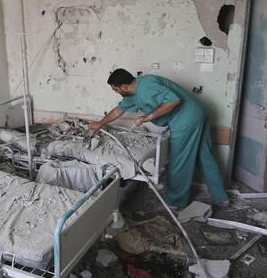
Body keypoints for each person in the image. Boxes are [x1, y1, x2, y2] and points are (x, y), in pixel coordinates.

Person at [88, 69, 229, 208]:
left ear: (124, 87)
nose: (116, 92)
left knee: (179, 161)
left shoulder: (147, 86)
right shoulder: (133, 93)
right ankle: (221, 197)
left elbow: (174, 100)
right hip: (197, 112)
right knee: (204, 156)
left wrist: (147, 117)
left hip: (186, 118)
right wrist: (100, 124)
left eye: (115, 89)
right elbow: (118, 110)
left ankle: (176, 201)